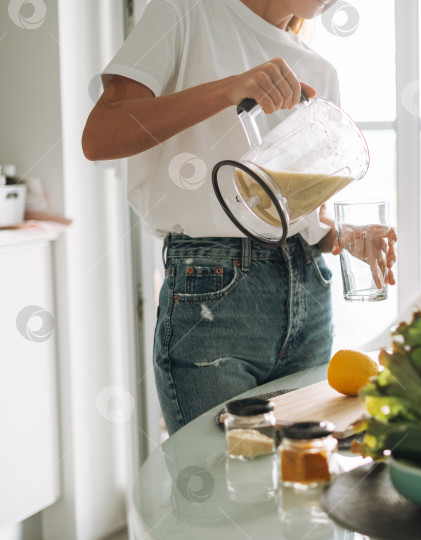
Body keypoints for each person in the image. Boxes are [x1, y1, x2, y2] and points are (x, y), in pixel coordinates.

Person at [82, 0, 396, 435]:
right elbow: (100, 135)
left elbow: (302, 217)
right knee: (223, 483)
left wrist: (344, 234)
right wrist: (229, 88)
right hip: (213, 294)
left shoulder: (319, 71)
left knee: (305, 477)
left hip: (308, 293)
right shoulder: (184, 12)